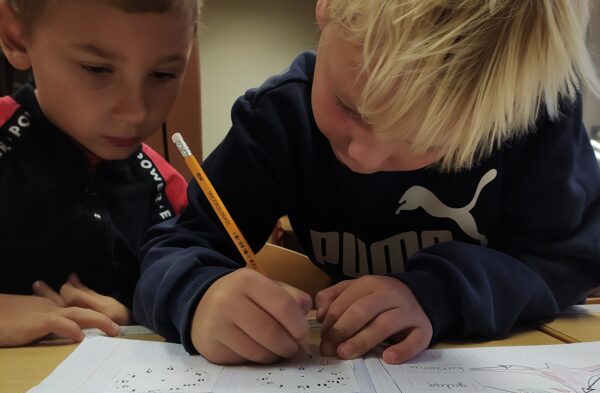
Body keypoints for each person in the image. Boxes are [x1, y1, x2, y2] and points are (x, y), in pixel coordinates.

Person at [134, 0, 600, 365]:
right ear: (327, 6)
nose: (365, 156)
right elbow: (171, 251)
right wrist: (198, 296)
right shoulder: (277, 121)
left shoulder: (532, 120)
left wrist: (437, 293)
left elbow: (571, 261)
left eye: (426, 139)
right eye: (349, 107)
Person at [0, 0, 201, 346]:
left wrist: (139, 316)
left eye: (163, 74)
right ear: (16, 36)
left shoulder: (169, 189)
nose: (135, 112)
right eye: (97, 69)